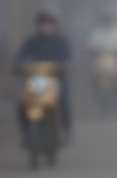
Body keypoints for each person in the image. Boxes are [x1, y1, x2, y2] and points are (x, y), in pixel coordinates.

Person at [13, 11, 73, 141]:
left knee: (63, 99)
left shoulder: (61, 41)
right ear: (38, 25)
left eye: (49, 24)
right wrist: (17, 65)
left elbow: (68, 58)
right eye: (43, 24)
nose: (46, 27)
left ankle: (66, 129)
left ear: (54, 25)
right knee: (24, 103)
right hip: (36, 79)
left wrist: (65, 65)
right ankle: (26, 133)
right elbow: (21, 55)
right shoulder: (32, 41)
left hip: (56, 79)